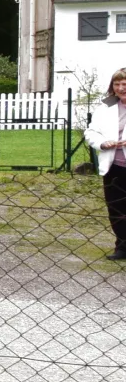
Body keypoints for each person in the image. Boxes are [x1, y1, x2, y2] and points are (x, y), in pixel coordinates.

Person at [82, 68, 126, 259]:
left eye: (125, 84)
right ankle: (122, 247)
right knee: (116, 209)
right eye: (117, 84)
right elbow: (91, 132)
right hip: (113, 167)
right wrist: (102, 143)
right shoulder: (105, 107)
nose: (121, 88)